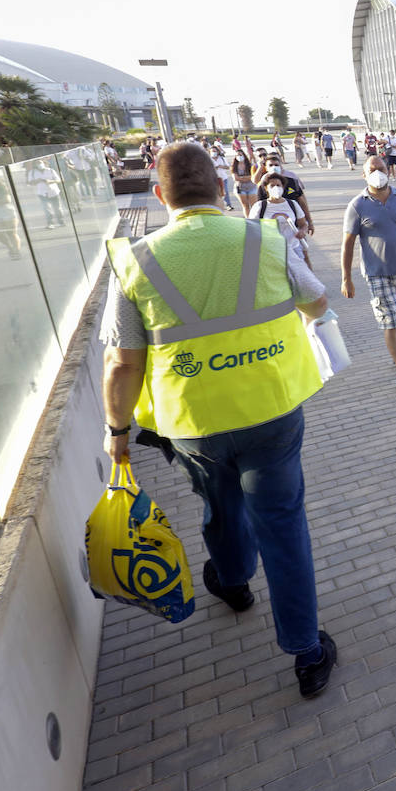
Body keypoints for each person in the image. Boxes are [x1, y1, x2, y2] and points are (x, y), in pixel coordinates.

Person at [100, 142, 337, 698]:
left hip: (193, 424)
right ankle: (306, 651)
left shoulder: (136, 260)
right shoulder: (264, 239)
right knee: (282, 524)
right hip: (271, 410)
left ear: (160, 196)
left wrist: (117, 434)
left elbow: (122, 363)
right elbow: (319, 303)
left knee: (221, 506)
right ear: (224, 188)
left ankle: (233, 583)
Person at [341, 156, 396, 387]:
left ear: (388, 170)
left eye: (380, 168)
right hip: (376, 274)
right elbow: (348, 244)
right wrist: (346, 279)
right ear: (364, 175)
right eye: (372, 170)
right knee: (389, 321)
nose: (377, 172)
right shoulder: (357, 205)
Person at [250, 171, 310, 266]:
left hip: (293, 248)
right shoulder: (260, 206)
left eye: (278, 185)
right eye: (272, 186)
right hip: (271, 251)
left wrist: (302, 231)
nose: (276, 188)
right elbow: (251, 229)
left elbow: (303, 224)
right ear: (266, 188)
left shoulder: (292, 204)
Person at [210, 144, 237, 211]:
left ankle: (228, 204)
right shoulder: (208, 159)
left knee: (225, 191)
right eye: (212, 151)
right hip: (213, 178)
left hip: (222, 177)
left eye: (215, 151)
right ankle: (215, 205)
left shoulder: (222, 158)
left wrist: (220, 166)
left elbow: (228, 167)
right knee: (215, 192)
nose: (214, 152)